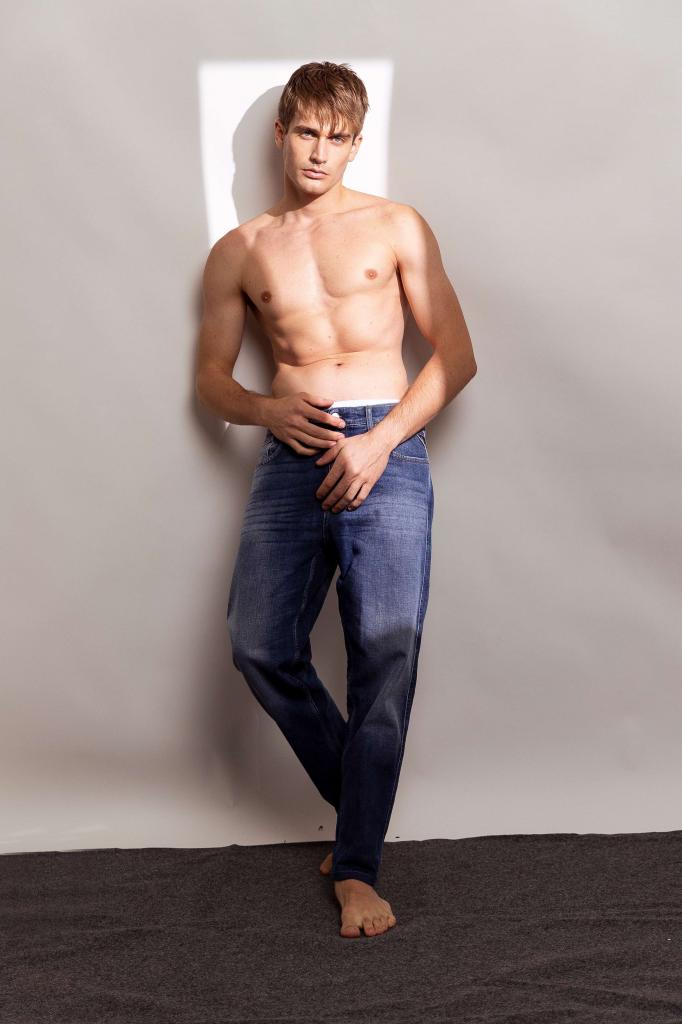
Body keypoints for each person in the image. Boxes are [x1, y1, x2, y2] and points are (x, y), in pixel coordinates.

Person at [195, 61, 477, 939]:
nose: (320, 151)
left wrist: (379, 440)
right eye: (307, 132)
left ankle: (356, 869)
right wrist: (265, 409)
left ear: (356, 143)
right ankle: (362, 807)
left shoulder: (396, 226)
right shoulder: (240, 249)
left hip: (384, 445)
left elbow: (457, 356)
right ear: (282, 134)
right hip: (289, 448)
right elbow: (210, 380)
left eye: (338, 136)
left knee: (384, 651)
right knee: (258, 642)